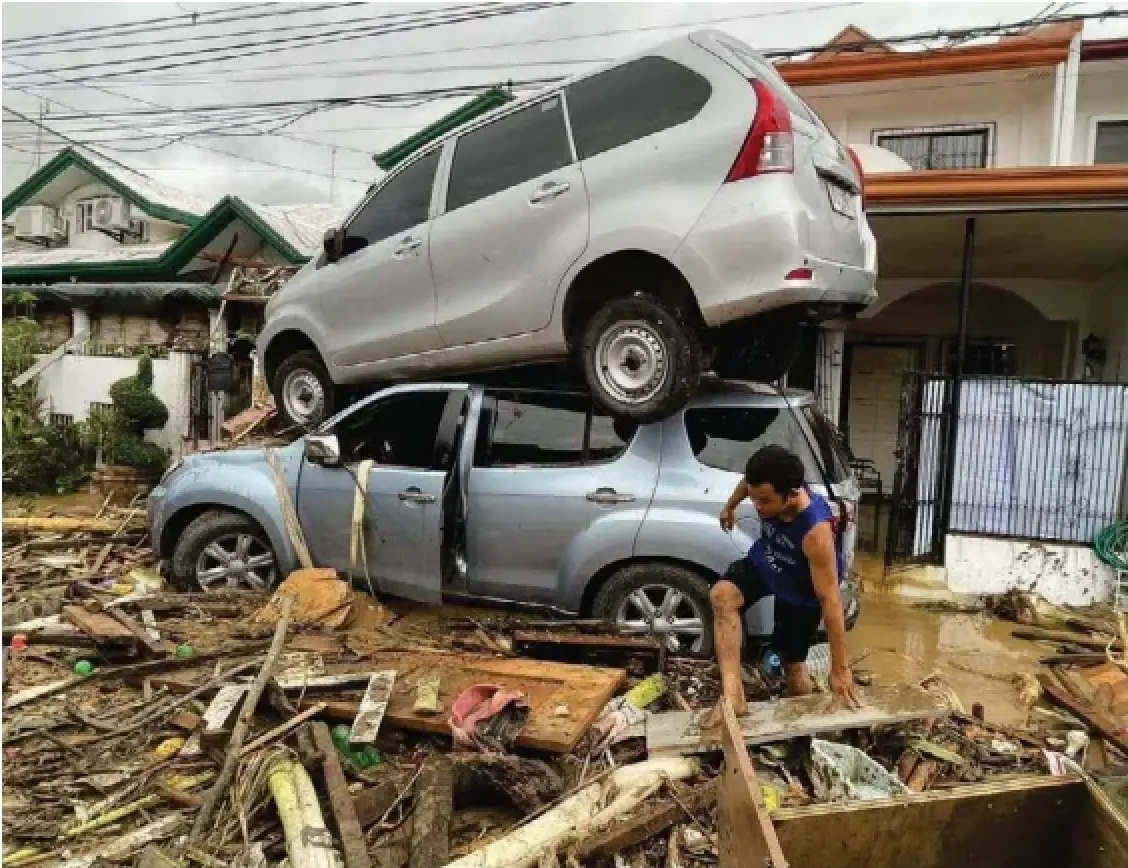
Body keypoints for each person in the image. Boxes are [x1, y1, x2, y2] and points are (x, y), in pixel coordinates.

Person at [712, 444, 860, 714]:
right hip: (769, 561)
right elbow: (748, 483)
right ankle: (733, 697)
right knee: (722, 596)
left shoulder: (816, 532)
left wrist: (840, 669)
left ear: (792, 495)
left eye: (765, 502)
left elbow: (831, 602)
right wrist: (729, 507)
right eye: (755, 499)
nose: (758, 506)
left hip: (801, 589)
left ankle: (805, 725)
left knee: (792, 665)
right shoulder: (766, 485)